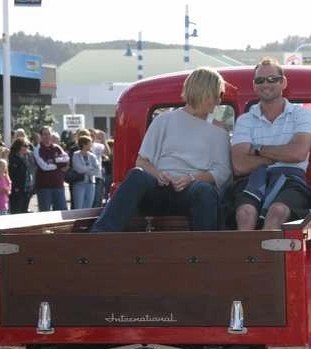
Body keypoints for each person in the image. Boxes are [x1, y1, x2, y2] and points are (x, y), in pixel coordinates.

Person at [91, 66, 231, 232]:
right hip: (159, 189)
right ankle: (100, 234)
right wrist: (158, 174)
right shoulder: (163, 120)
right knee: (137, 175)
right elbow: (142, 161)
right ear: (204, 93)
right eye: (217, 95)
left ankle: (203, 245)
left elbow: (222, 172)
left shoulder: (219, 131)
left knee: (204, 191)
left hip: (192, 192)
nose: (219, 101)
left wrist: (192, 178)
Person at [230, 57, 311, 231]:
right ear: (254, 86)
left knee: (278, 212)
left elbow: (298, 153)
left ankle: (268, 250)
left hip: (292, 180)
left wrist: (257, 149)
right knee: (245, 213)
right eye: (260, 80)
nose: (266, 84)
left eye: (272, 79)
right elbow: (239, 165)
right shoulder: (245, 120)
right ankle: (248, 249)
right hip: (254, 179)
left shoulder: (302, 115)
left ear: (283, 82)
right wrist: (280, 156)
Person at [32, 126, 69, 211]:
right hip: (44, 187)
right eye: (45, 134)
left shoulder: (57, 147)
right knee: (45, 213)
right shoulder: (37, 150)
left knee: (62, 211)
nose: (47, 136)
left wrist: (53, 161)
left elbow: (66, 159)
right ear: (41, 136)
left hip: (58, 185)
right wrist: (58, 164)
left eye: (49, 134)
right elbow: (44, 167)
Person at [71, 135, 100, 209]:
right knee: (78, 207)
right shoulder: (76, 155)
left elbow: (97, 170)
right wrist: (90, 168)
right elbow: (78, 169)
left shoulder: (92, 156)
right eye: (90, 143)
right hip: (79, 184)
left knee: (88, 207)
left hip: (91, 184)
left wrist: (86, 169)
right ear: (84, 144)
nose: (91, 145)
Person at [8, 138, 34, 214]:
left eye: (28, 146)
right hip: (17, 190)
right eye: (25, 146)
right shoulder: (12, 158)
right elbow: (12, 175)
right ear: (18, 146)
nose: (27, 148)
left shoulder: (27, 157)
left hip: (27, 189)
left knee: (24, 211)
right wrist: (15, 187)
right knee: (16, 211)